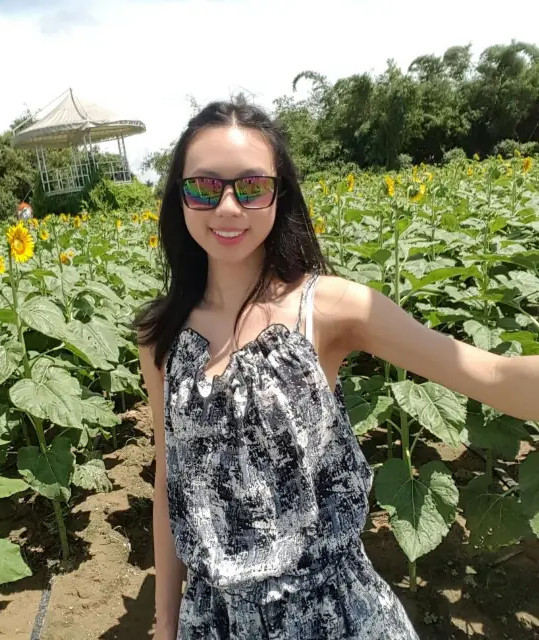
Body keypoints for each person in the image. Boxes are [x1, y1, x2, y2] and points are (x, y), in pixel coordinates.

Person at [135, 100, 539, 640]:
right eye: (204, 188)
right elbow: (171, 481)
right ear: (179, 198)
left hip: (331, 615)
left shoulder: (329, 309)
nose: (228, 208)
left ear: (281, 194)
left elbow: (488, 375)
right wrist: (165, 621)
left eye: (252, 187)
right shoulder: (161, 335)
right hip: (216, 621)